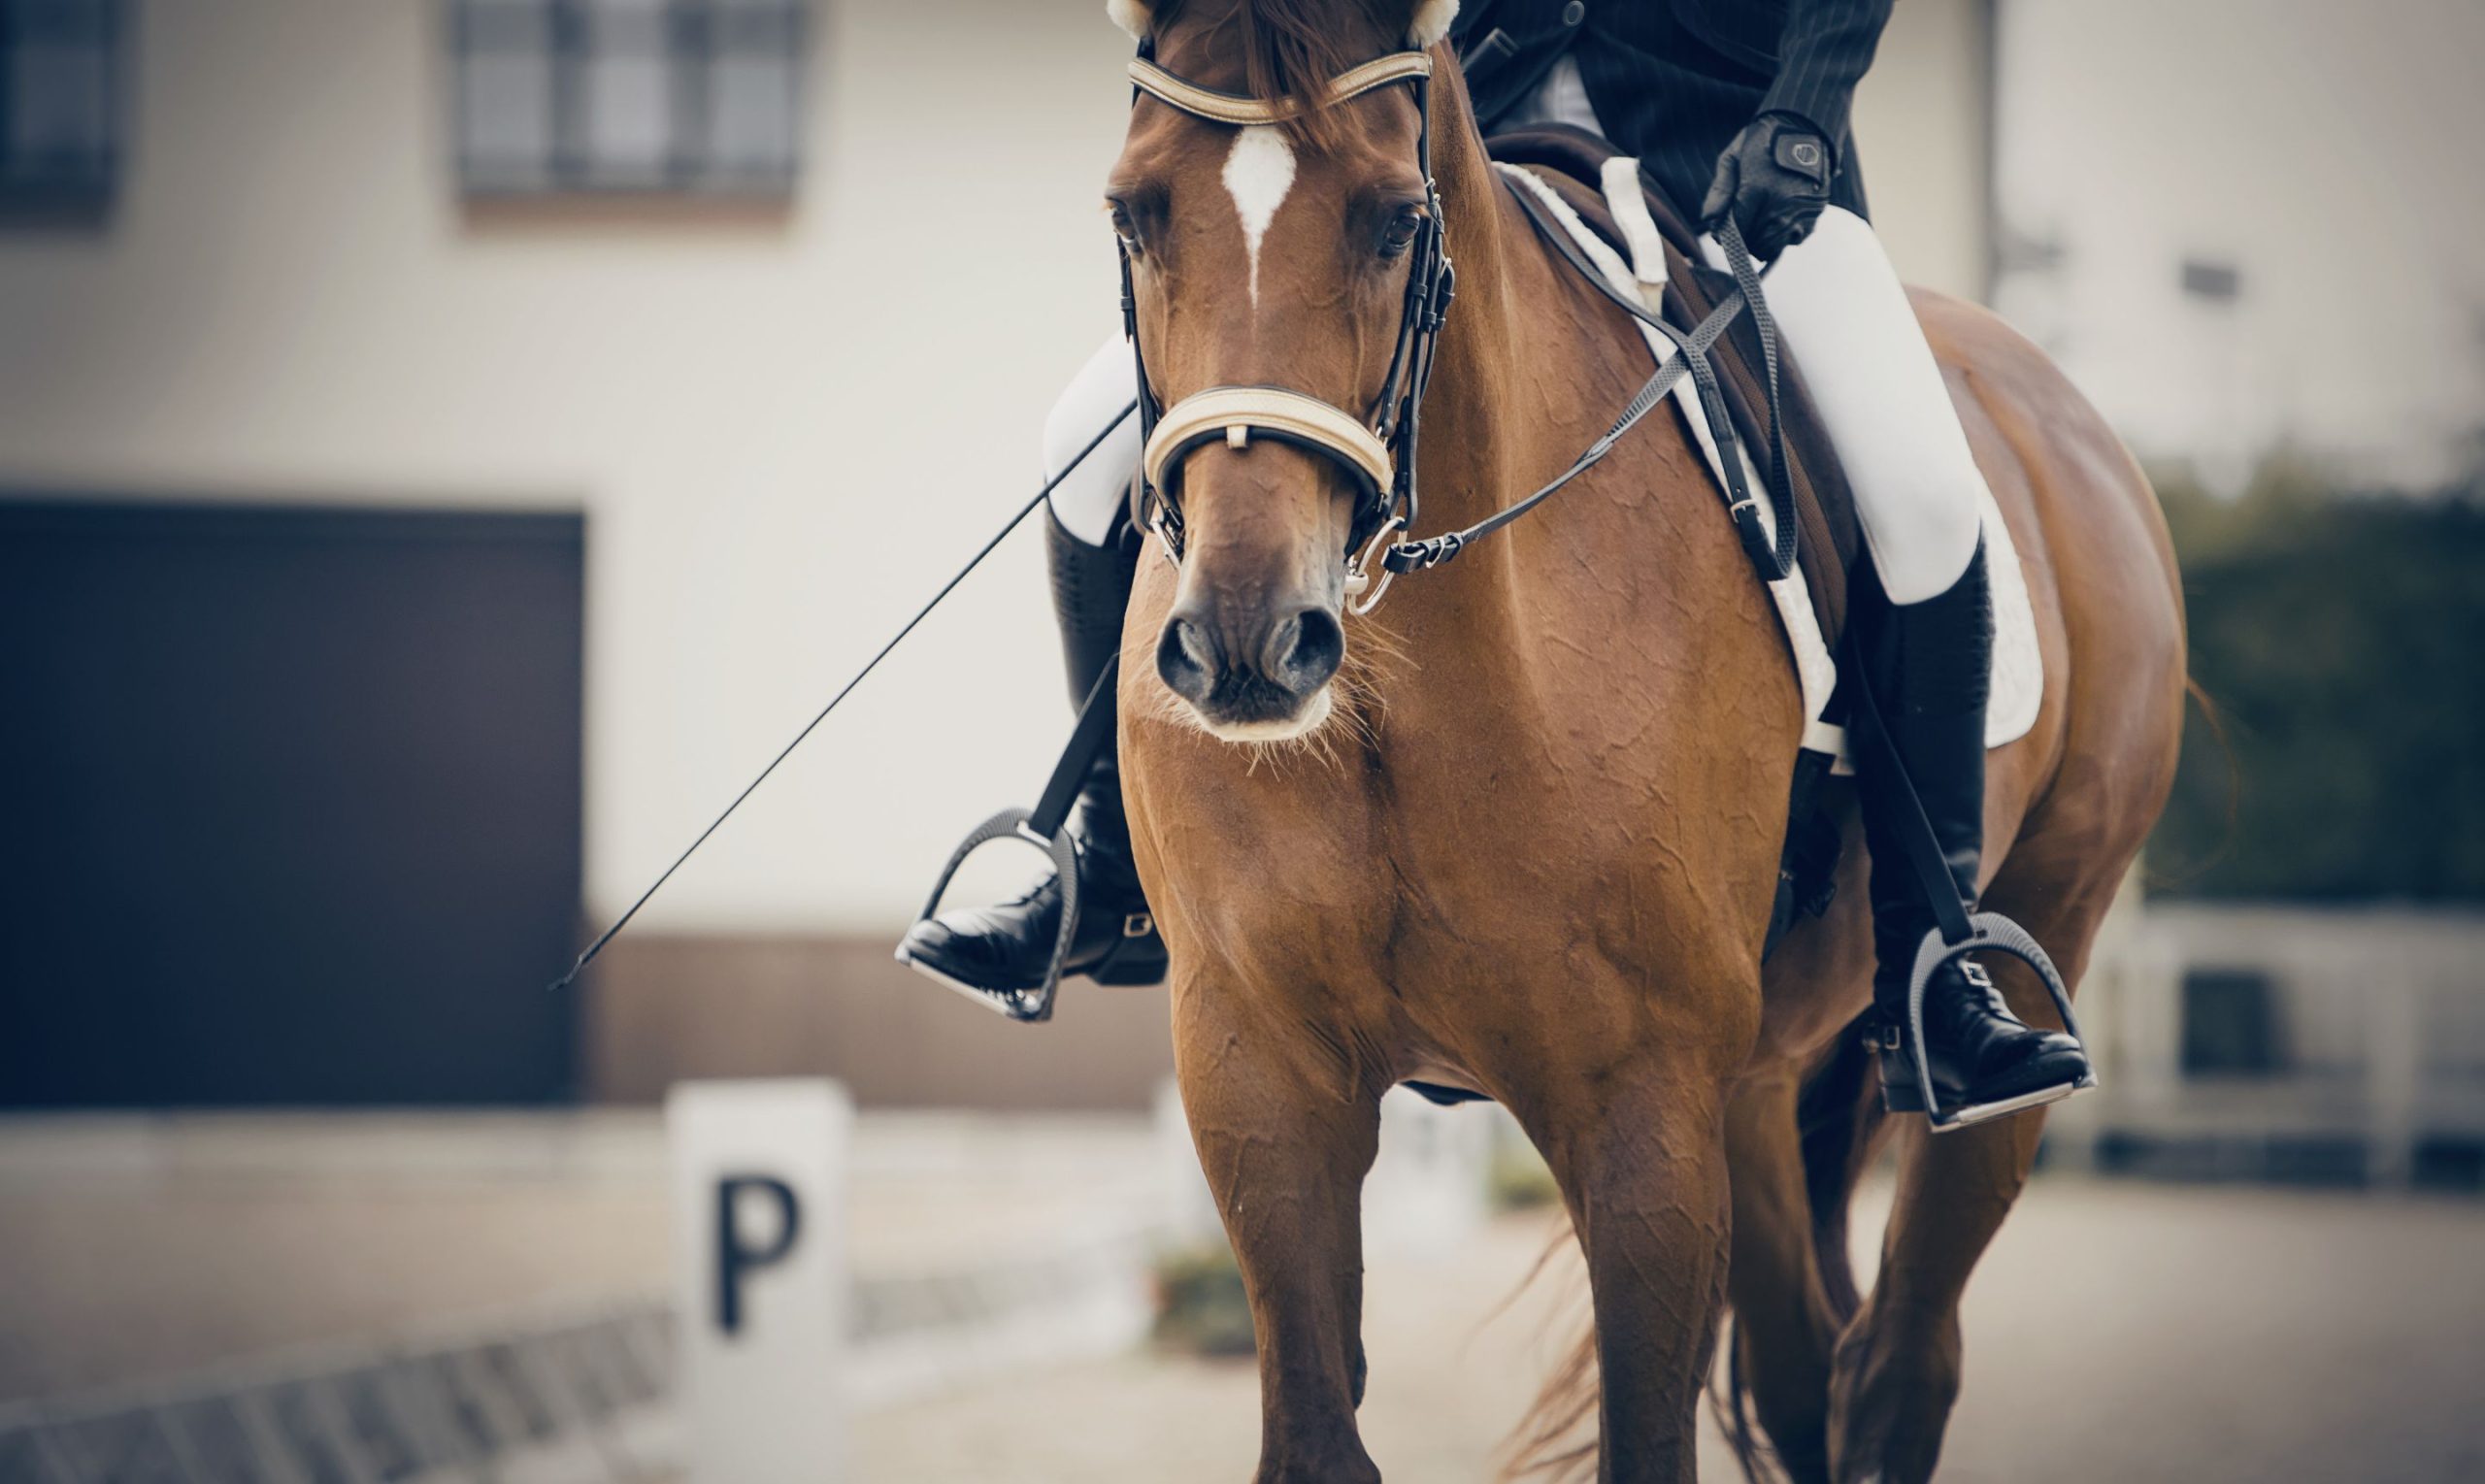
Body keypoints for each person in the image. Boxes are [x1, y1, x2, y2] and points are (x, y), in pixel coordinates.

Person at [898, 0, 2090, 1122]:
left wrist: (1802, 115)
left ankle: (1933, 955)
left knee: (1927, 500)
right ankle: (1110, 867)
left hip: (1730, 165)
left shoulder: (1763, 145)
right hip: (1440, 158)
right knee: (1084, 445)